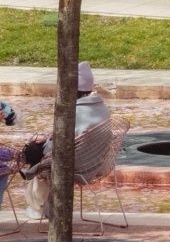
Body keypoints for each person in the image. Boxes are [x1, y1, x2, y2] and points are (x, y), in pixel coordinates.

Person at [23, 61, 111, 221]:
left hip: (76, 166)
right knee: (43, 156)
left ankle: (38, 208)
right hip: (98, 163)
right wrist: (50, 137)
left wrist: (43, 144)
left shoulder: (74, 112)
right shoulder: (101, 107)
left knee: (39, 160)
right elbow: (74, 136)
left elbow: (62, 145)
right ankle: (45, 205)